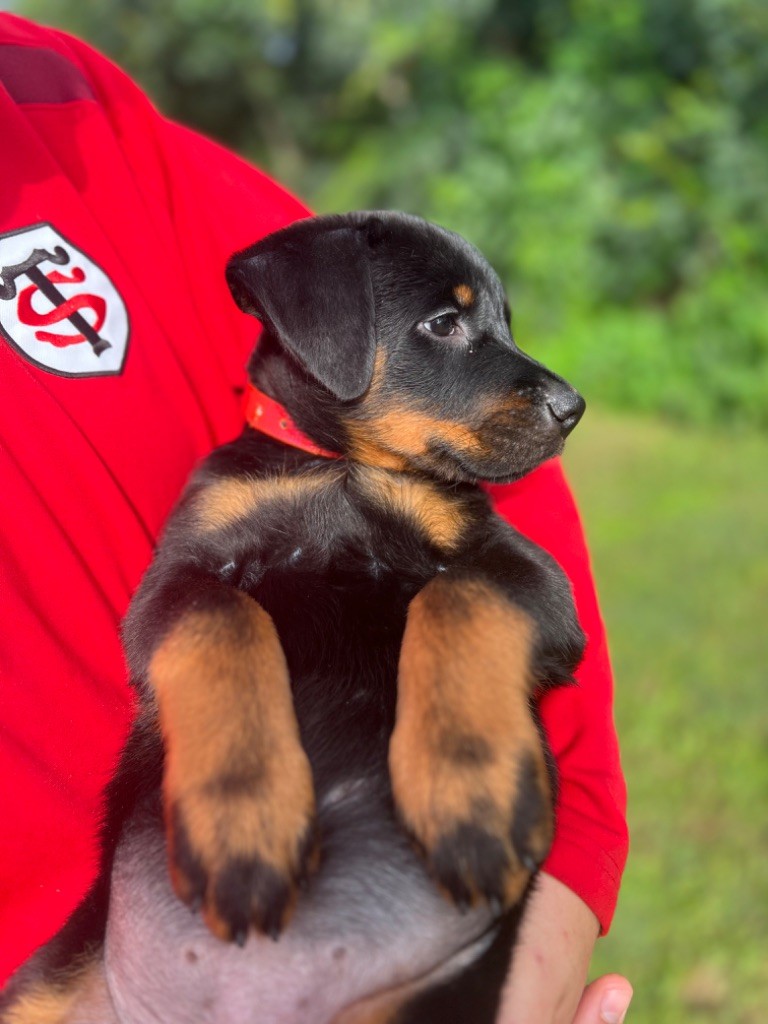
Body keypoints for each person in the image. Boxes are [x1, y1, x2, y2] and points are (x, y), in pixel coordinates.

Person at [0, 13, 632, 1023]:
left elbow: (527, 574)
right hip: (108, 962)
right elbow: (180, 606)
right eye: (449, 326)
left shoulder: (63, 104)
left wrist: (549, 892)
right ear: (318, 333)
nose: (551, 391)